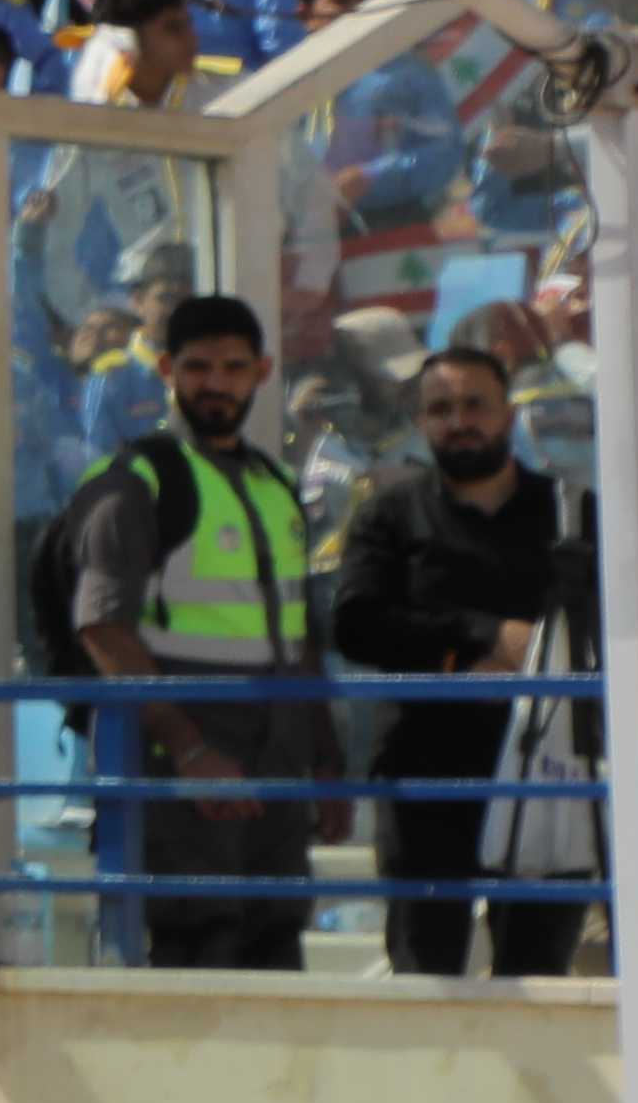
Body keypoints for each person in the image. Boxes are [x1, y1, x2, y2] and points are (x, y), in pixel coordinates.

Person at [57, 287, 328, 970]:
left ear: (262, 372)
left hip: (275, 765)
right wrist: (190, 749)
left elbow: (300, 636)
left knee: (277, 944)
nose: (216, 384)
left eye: (234, 368)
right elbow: (103, 627)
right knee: (197, 946)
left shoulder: (273, 483)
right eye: (198, 367)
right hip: (178, 770)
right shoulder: (136, 481)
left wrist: (326, 761)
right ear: (166, 369)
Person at [330, 335, 592, 980]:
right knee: (426, 979)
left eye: (475, 404)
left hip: (547, 772)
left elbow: (625, 621)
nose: (459, 421)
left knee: (539, 975)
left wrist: (540, 659)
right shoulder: (389, 516)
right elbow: (356, 625)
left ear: (508, 414)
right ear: (422, 422)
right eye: (441, 409)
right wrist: (479, 640)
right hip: (426, 776)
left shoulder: (572, 515)